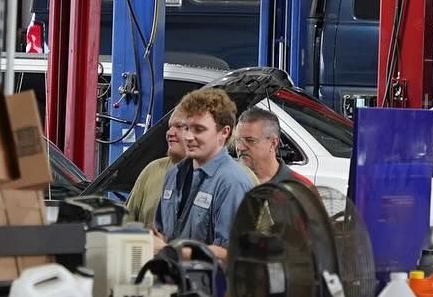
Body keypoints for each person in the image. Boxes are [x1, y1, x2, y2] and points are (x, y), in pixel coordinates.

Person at [153, 89, 253, 262]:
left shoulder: (231, 182)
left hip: (210, 286)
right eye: (186, 128)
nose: (189, 137)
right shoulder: (173, 175)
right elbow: (159, 231)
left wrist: (171, 252)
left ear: (224, 132)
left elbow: (231, 254)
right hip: (171, 281)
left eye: (199, 130)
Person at [235, 106, 313, 189]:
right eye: (237, 140)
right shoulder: (228, 180)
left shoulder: (301, 188)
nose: (240, 147)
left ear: (273, 143)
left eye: (250, 140)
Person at [124, 121, 184, 226]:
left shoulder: (217, 177)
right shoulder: (153, 170)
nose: (169, 133)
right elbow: (126, 222)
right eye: (169, 126)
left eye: (179, 126)